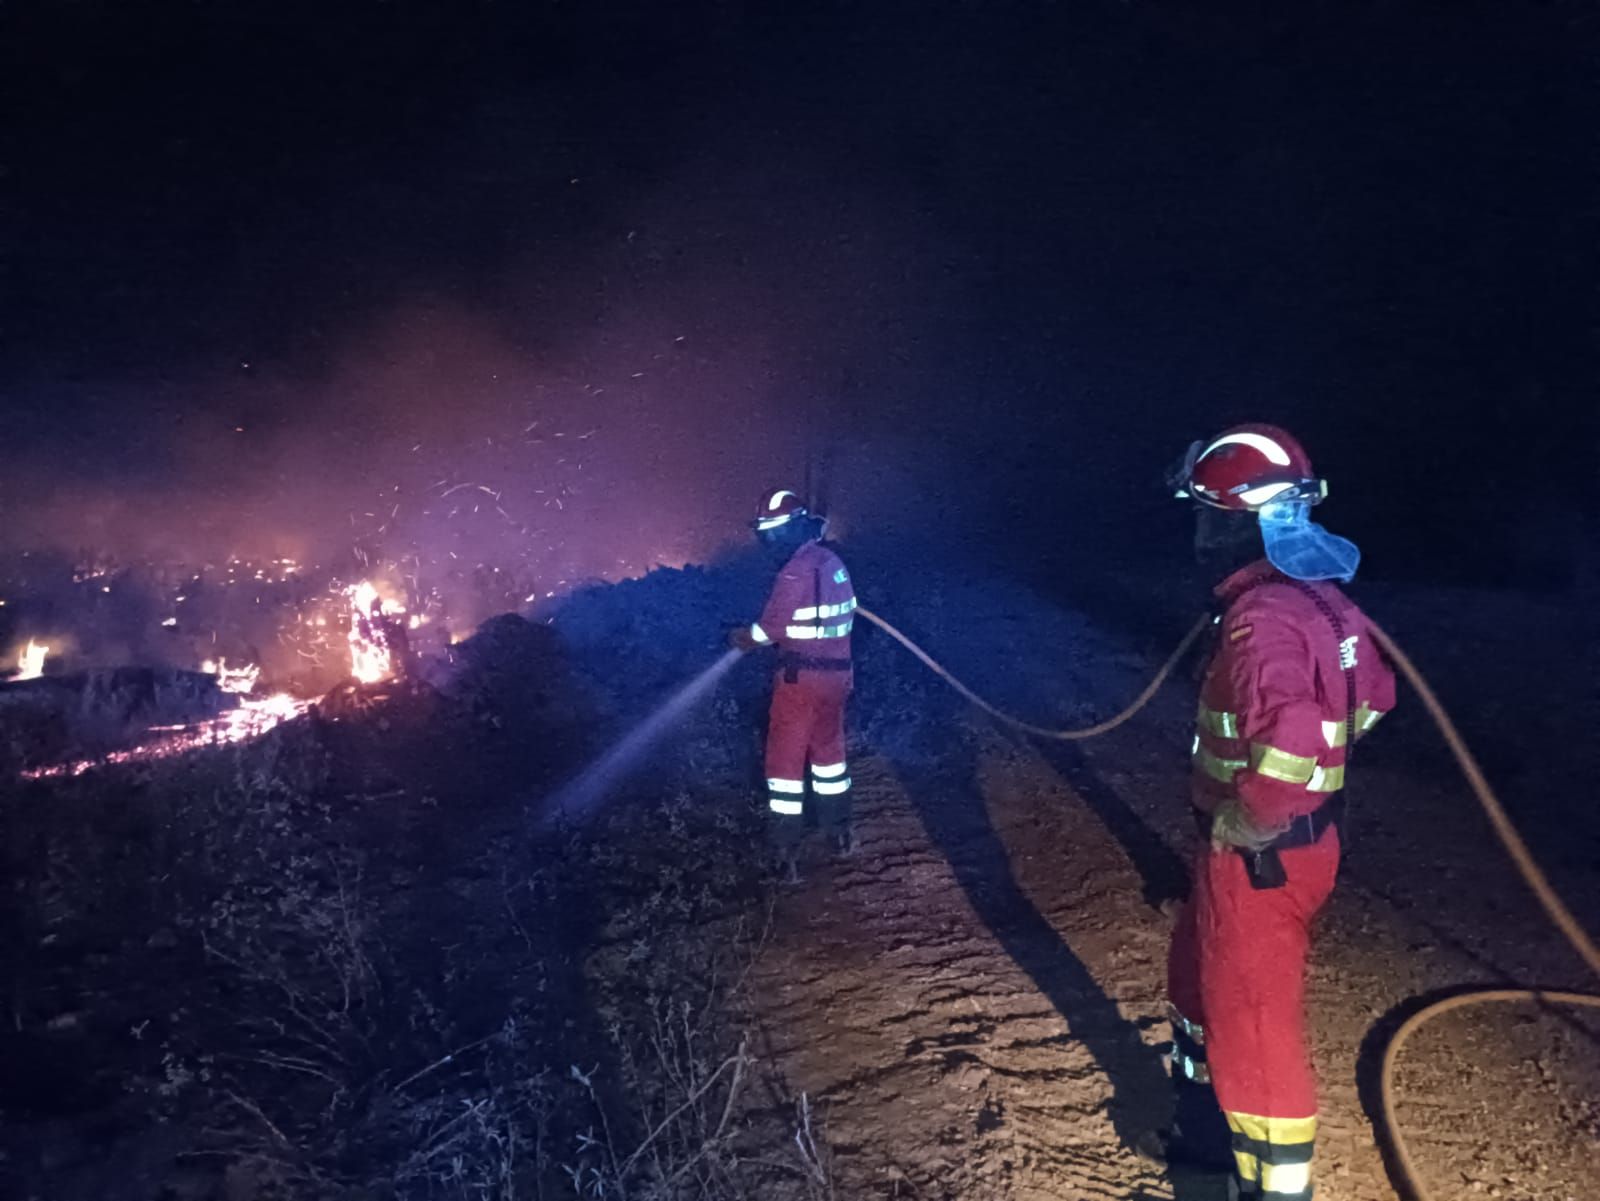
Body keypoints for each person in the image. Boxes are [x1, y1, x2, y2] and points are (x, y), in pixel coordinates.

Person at [1159, 424, 1396, 1199]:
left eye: (1206, 516)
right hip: (1282, 849)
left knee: (1255, 1036)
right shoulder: (1316, 602)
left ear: (1238, 520)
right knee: (1199, 984)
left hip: (1260, 856)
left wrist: (1253, 815)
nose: (1198, 534)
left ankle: (1268, 1188)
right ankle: (1200, 1135)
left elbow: (1294, 734)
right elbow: (1375, 696)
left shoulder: (1264, 619)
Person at [729, 488, 857, 878]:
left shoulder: (795, 571)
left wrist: (742, 639)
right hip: (838, 677)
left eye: (771, 532)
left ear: (787, 531)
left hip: (799, 680)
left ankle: (785, 854)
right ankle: (840, 833)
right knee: (829, 757)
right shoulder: (833, 562)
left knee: (784, 764)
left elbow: (770, 628)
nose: (767, 541)